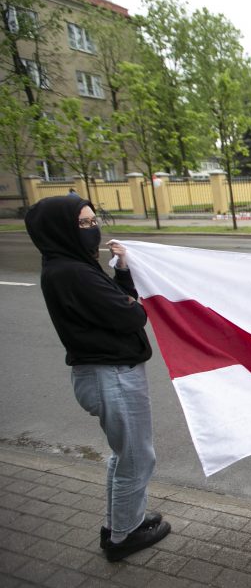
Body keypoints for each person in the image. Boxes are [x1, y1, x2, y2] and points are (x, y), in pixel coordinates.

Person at [24, 195, 171, 562]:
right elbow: (132, 316)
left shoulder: (72, 265)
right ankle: (124, 535)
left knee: (125, 457)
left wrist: (122, 270)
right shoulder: (71, 273)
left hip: (107, 373)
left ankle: (121, 522)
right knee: (136, 459)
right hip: (112, 376)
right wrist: (132, 302)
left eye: (94, 222)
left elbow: (120, 301)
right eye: (84, 224)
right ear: (61, 229)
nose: (94, 230)